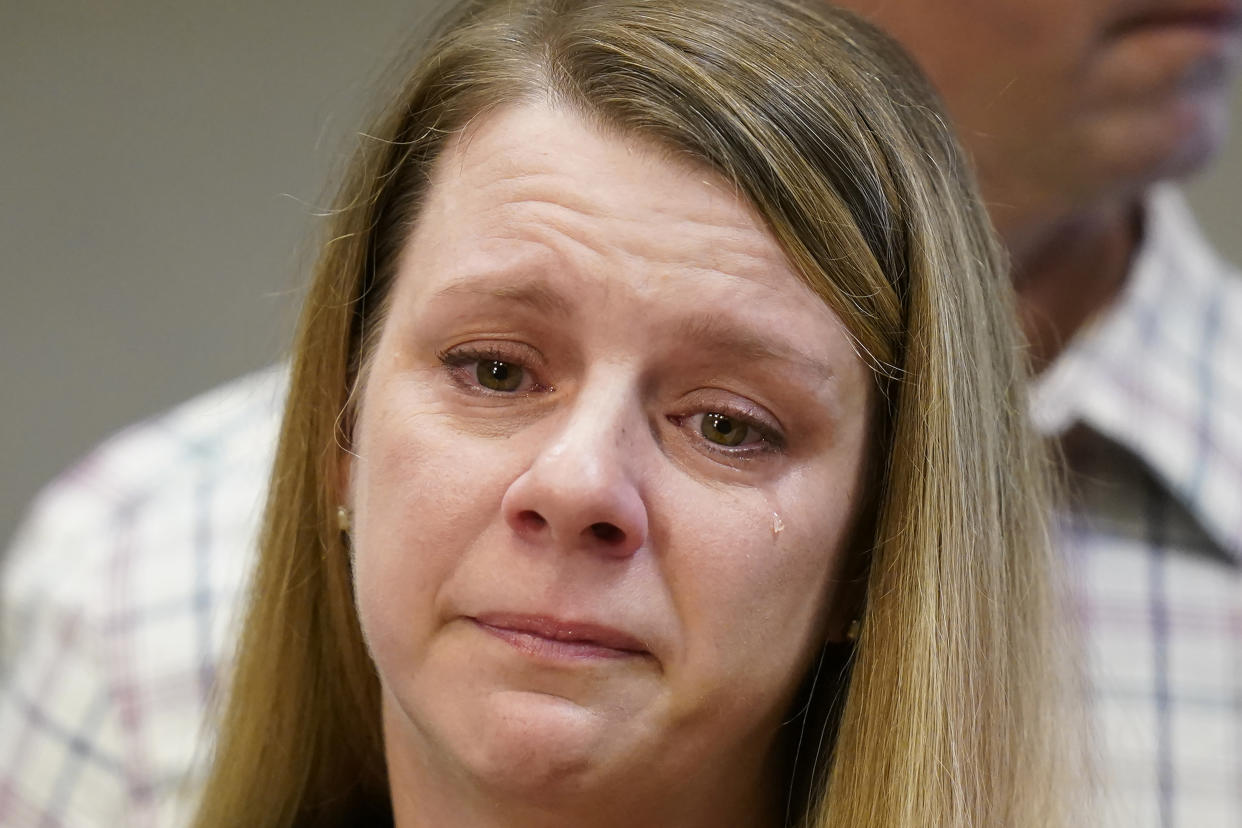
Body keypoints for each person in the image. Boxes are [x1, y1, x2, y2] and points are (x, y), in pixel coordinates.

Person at [3, 0, 1238, 824]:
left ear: (880, 544)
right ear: (336, 431)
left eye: (730, 424)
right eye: (494, 370)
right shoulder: (120, 576)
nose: (580, 485)